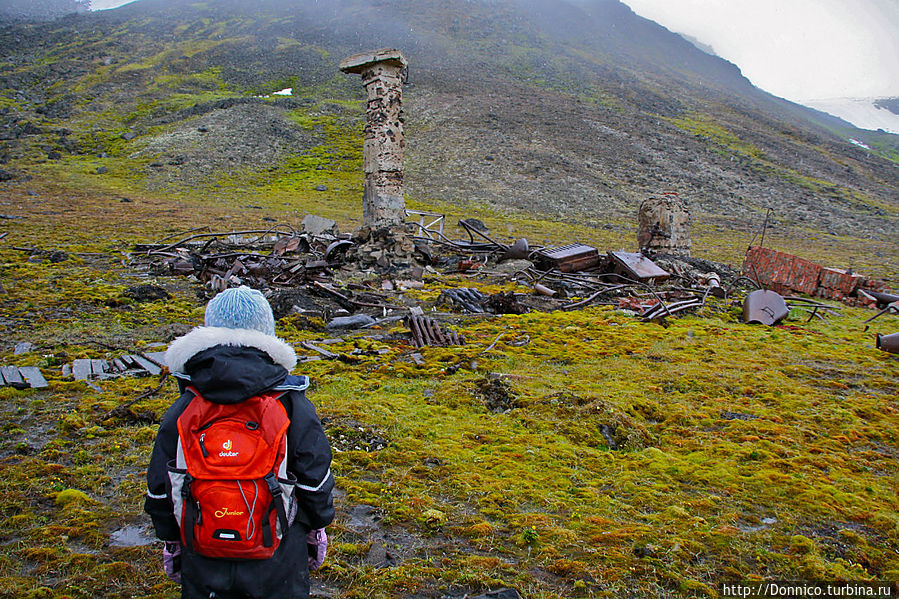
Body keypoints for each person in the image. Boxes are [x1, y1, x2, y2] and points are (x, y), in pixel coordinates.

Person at [144, 286, 334, 599]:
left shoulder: (185, 405)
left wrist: (171, 541)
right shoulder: (291, 403)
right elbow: (315, 479)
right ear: (267, 333)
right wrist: (316, 529)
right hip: (279, 553)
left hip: (202, 547)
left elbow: (159, 485)